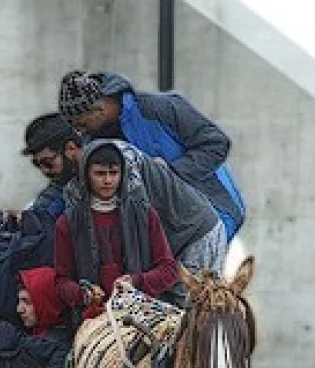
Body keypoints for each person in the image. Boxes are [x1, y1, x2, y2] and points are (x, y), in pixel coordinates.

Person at [57, 70, 247, 241]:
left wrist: (169, 173)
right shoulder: (93, 141)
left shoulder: (161, 108)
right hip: (166, 231)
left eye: (81, 125)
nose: (79, 133)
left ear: (99, 110)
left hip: (215, 214)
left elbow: (216, 144)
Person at [54, 140, 179, 319]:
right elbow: (61, 281)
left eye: (114, 173)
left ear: (123, 174)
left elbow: (169, 270)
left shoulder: (144, 214)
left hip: (143, 314)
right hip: (94, 318)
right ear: (86, 175)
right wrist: (83, 294)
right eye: (100, 173)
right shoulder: (68, 222)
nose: (108, 180)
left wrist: (136, 281)